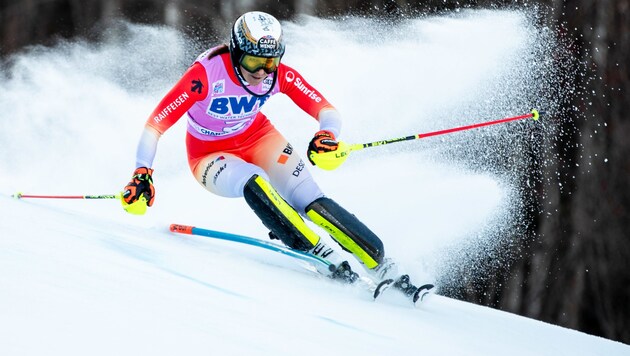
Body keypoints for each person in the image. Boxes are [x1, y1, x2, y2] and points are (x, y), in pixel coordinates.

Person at [121, 11, 413, 289]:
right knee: (253, 180)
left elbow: (327, 109)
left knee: (309, 199)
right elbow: (155, 125)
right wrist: (142, 172)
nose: (262, 72)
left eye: (270, 63)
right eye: (252, 62)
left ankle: (379, 263)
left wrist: (327, 135)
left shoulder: (278, 74)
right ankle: (317, 251)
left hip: (258, 137)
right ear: (236, 53)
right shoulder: (205, 75)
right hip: (208, 155)